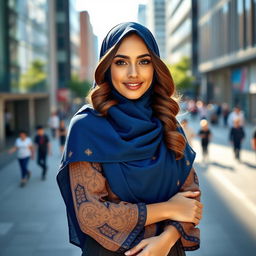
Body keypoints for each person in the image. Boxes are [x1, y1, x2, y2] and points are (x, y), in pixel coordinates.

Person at [57, 22, 203, 256]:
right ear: (107, 68)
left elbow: (191, 202)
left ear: (155, 67)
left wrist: (166, 240)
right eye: (121, 62)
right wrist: (167, 209)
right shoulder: (86, 127)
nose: (133, 73)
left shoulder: (168, 123)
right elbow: (90, 214)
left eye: (144, 61)